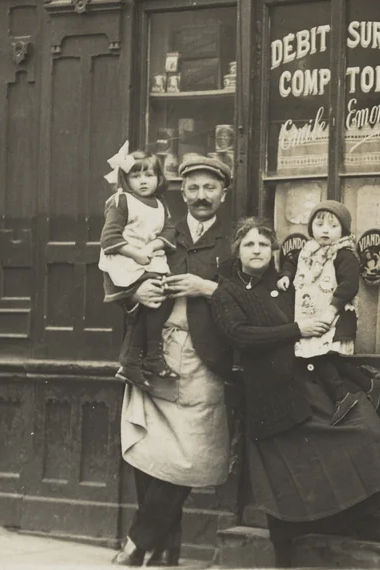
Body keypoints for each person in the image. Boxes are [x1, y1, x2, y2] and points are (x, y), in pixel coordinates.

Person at [211, 217, 380, 569]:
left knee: (363, 434)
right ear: (237, 251)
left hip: (308, 383)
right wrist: (296, 329)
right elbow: (241, 336)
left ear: (274, 251)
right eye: (248, 245)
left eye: (263, 245)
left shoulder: (289, 283)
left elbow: (327, 298)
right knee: (283, 478)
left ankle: (363, 527)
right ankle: (285, 555)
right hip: (269, 395)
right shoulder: (227, 292)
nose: (256, 251)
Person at [112, 154, 236, 567]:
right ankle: (166, 549)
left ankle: (137, 543)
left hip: (204, 357)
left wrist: (209, 288)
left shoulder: (237, 239)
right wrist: (136, 296)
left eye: (210, 188)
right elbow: (117, 271)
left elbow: (254, 298)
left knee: (184, 453)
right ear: (182, 192)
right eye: (194, 188)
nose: (202, 196)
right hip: (154, 351)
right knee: (151, 450)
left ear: (224, 193)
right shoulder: (161, 230)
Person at [100, 147, 179, 389]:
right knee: (152, 299)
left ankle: (134, 361)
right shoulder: (121, 201)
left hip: (149, 258)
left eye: (149, 175)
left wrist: (154, 246)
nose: (143, 181)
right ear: (126, 179)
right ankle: (146, 358)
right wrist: (137, 253)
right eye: (136, 176)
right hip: (125, 261)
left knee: (156, 302)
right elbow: (109, 238)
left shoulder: (159, 203)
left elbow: (168, 230)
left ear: (159, 178)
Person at [279, 200, 361, 356]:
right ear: (311, 228)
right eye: (319, 225)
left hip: (335, 320)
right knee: (307, 362)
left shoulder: (345, 254)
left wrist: (332, 309)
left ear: (343, 230)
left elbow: (349, 285)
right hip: (307, 317)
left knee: (330, 362)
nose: (325, 231)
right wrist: (286, 276)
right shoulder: (307, 252)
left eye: (333, 226)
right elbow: (291, 262)